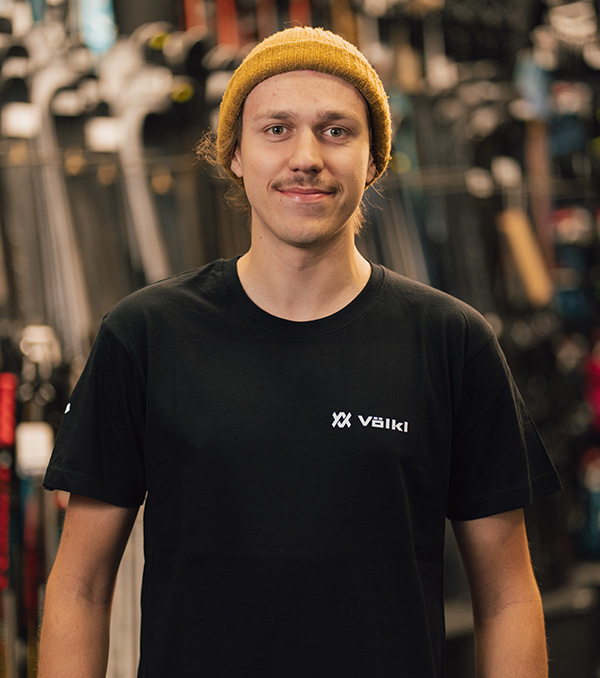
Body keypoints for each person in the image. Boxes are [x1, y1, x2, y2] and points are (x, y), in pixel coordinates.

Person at [38, 26, 561, 678]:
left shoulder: (451, 342)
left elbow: (508, 597)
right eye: (276, 129)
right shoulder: (144, 335)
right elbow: (81, 586)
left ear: (375, 160)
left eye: (336, 131)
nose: (306, 156)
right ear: (235, 154)